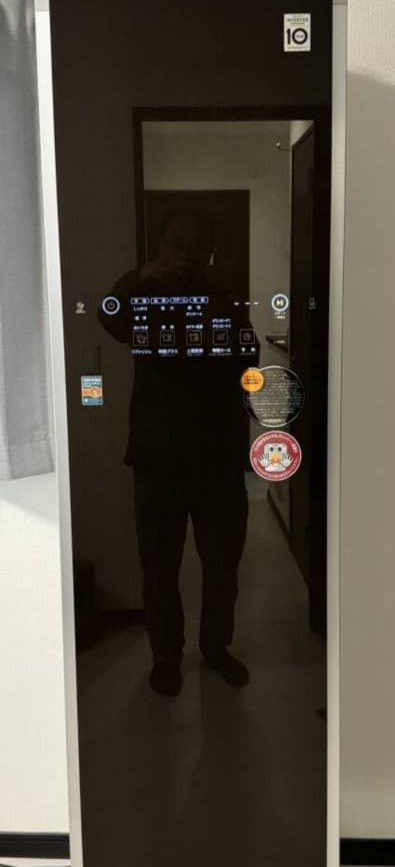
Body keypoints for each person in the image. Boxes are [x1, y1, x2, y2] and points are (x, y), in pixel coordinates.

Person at [100, 209, 258, 696]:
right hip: (157, 457)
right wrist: (139, 277)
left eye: (195, 248)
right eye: (176, 247)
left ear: (208, 253)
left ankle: (215, 648)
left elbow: (248, 357)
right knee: (159, 567)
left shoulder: (225, 295)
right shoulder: (142, 294)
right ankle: (166, 657)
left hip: (217, 456)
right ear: (162, 248)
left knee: (222, 565)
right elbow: (108, 314)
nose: (185, 257)